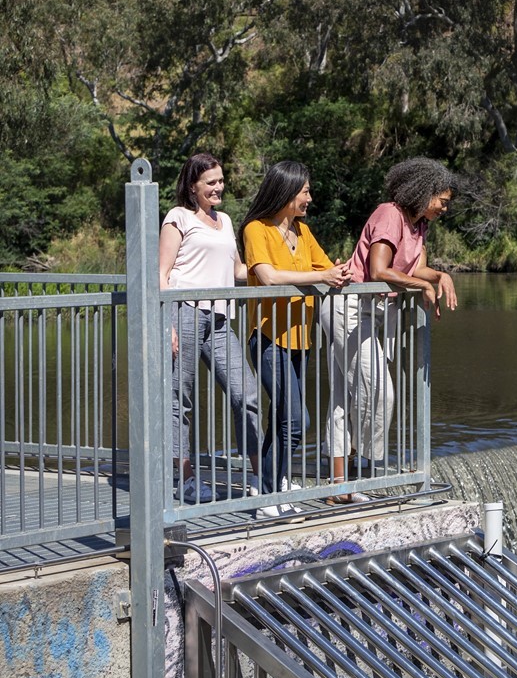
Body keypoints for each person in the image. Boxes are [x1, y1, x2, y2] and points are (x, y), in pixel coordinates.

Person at [323, 157, 459, 502]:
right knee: (379, 391)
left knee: (344, 396)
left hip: (376, 311)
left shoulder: (419, 224)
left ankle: (339, 485)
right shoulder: (389, 214)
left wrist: (439, 276)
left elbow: (418, 268)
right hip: (351, 308)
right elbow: (380, 270)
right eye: (442, 201)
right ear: (424, 192)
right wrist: (421, 286)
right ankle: (361, 470)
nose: (445, 208)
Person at [239, 160, 350, 518]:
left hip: (300, 339)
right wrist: (322, 276)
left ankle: (269, 486)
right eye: (305, 191)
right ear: (286, 193)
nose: (309, 198)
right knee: (296, 420)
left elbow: (324, 268)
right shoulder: (257, 229)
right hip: (269, 338)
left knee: (284, 420)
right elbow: (268, 276)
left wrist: (339, 272)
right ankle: (268, 495)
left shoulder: (302, 231)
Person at [158, 153, 262, 504]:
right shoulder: (178, 217)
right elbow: (162, 273)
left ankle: (261, 476)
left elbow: (237, 271)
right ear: (193, 186)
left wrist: (274, 271)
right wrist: (167, 325)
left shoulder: (226, 221)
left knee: (246, 394)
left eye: (221, 180)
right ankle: (185, 478)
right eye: (211, 182)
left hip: (219, 319)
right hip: (184, 312)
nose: (219, 187)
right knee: (180, 399)